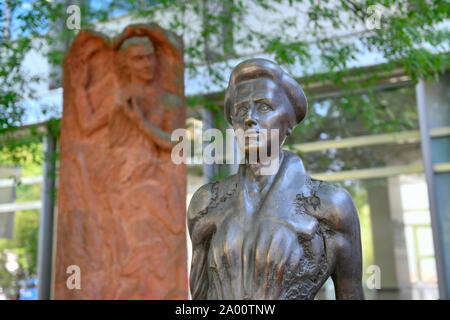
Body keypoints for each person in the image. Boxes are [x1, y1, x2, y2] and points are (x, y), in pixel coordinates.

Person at [188, 58, 364, 300]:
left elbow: (351, 294)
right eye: (240, 110)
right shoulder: (207, 202)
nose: (248, 118)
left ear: (288, 123)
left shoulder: (331, 205)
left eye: (263, 107)